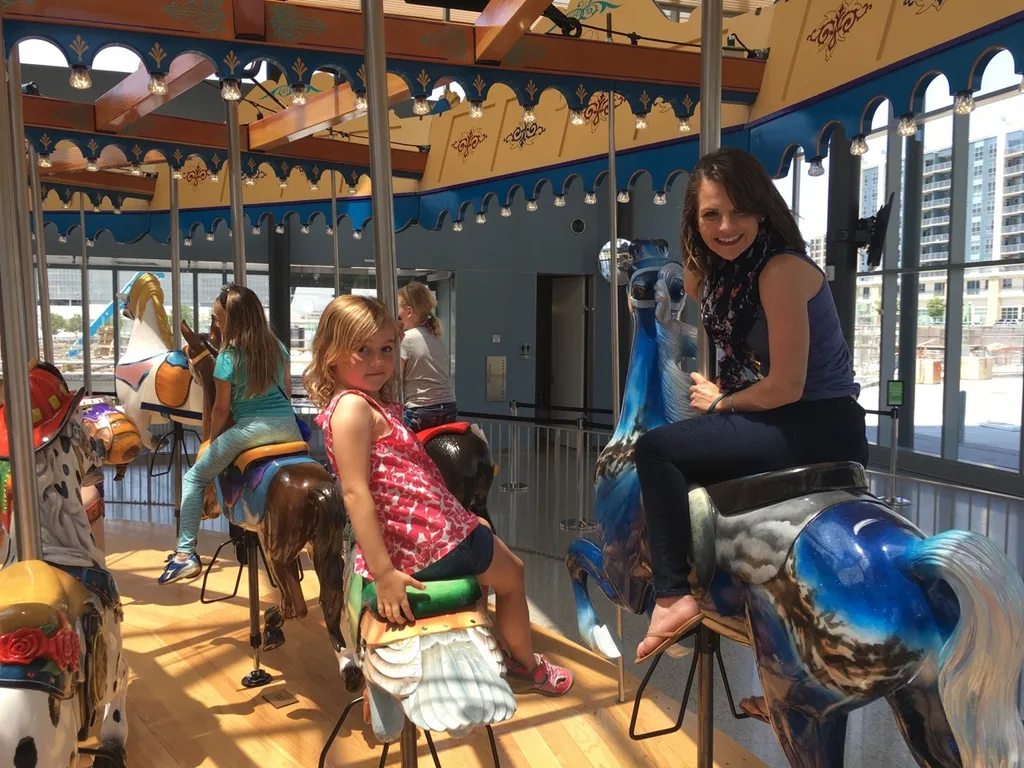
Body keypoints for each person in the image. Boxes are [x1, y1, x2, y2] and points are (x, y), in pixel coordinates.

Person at [632, 148, 869, 666]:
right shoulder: (718, 275)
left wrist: (722, 401)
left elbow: (786, 384)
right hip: (782, 414)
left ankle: (672, 596)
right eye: (710, 215)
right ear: (694, 222)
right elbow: (692, 292)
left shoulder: (780, 270)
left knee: (655, 451)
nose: (726, 225)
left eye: (738, 211)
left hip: (819, 422)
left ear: (762, 209)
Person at [304, 294, 573, 696]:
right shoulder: (352, 410)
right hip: (427, 541)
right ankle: (528, 667)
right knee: (514, 573)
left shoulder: (360, 403)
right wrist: (383, 573)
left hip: (425, 533)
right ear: (331, 354)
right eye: (363, 350)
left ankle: (483, 633)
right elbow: (355, 492)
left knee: (480, 525)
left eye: (386, 349)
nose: (378, 361)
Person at [159, 284, 301, 584]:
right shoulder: (278, 347)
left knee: (194, 478)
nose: (217, 323)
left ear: (234, 320)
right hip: (288, 427)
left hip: (251, 431)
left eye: (219, 318)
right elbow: (287, 392)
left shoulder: (229, 356)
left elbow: (221, 408)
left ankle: (184, 555)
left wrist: (210, 438)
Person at [396, 282, 458, 432]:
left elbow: (395, 379)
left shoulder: (407, 338)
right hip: (449, 407)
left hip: (421, 410)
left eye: (397, 308)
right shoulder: (435, 336)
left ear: (409, 311)